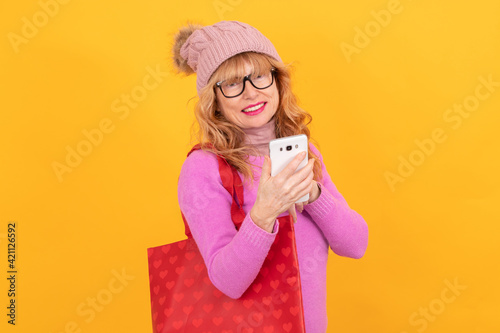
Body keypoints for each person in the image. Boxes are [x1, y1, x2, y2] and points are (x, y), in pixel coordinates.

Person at [173, 20, 368, 333]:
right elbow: (228, 282)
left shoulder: (305, 155)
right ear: (215, 101)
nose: (251, 93)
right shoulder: (203, 168)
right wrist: (264, 213)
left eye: (260, 76)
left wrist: (313, 195)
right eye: (233, 84)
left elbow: (355, 244)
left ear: (278, 82)